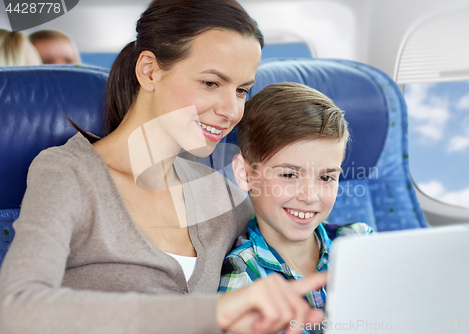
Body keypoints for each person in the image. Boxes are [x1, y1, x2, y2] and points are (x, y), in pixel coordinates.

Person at [0, 1, 327, 334]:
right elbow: (16, 308)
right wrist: (214, 312)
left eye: (242, 90)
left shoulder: (221, 195)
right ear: (149, 71)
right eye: (211, 83)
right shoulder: (68, 173)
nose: (231, 111)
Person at [219, 83, 373, 330]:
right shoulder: (244, 273)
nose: (310, 196)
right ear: (245, 174)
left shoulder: (360, 241)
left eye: (326, 178)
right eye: (289, 175)